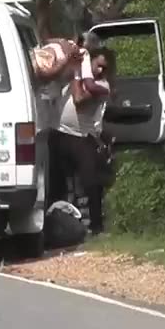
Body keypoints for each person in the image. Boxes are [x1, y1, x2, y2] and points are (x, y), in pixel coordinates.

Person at [49, 39, 113, 235]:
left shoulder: (102, 85)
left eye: (104, 68)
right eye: (97, 65)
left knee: (91, 182)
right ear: (89, 62)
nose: (100, 70)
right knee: (55, 180)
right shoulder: (72, 74)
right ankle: (52, 222)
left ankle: (96, 226)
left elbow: (78, 100)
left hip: (82, 136)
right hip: (60, 132)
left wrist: (79, 74)